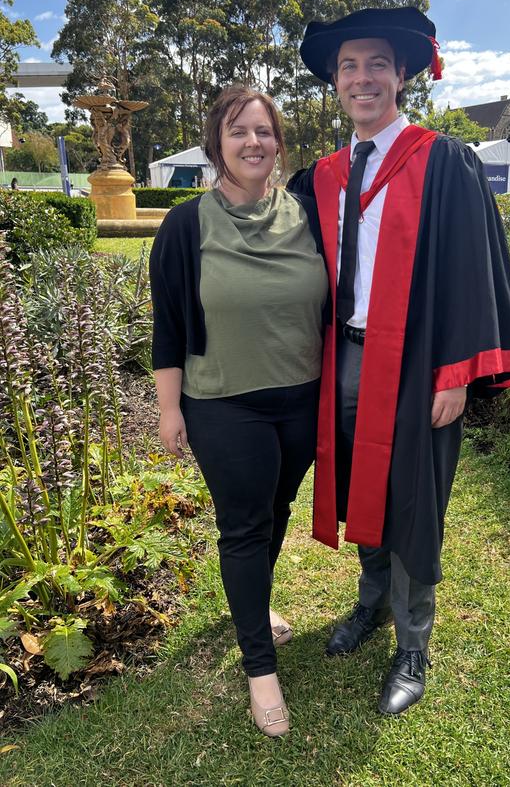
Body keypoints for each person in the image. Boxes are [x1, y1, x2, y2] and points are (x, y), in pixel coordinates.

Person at [288, 7, 510, 716]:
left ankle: (413, 641)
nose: (361, 78)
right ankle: (371, 602)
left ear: (403, 74)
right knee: (354, 481)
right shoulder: (325, 176)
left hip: (417, 362)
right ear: (335, 82)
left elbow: (473, 271)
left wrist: (458, 370)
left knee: (415, 500)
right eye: (347, 67)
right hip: (343, 359)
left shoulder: (445, 162)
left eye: (375, 64)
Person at [149, 85, 328, 737]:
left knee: (275, 512)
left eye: (264, 130)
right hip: (224, 403)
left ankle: (252, 605)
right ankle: (260, 670)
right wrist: (171, 408)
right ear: (215, 144)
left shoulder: (308, 213)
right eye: (238, 131)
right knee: (245, 525)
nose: (254, 142)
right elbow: (168, 326)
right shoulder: (185, 225)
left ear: (278, 142)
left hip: (301, 401)